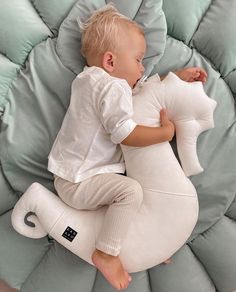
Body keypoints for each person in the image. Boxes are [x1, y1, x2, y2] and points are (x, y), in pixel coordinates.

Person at [48, 4, 207, 290]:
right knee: (131, 191)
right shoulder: (110, 88)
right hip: (79, 182)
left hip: (75, 175)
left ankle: (143, 244)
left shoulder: (90, 81)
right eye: (138, 59)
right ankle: (107, 252)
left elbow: (139, 92)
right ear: (110, 61)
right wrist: (164, 133)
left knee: (131, 193)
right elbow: (126, 133)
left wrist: (175, 78)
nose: (142, 67)